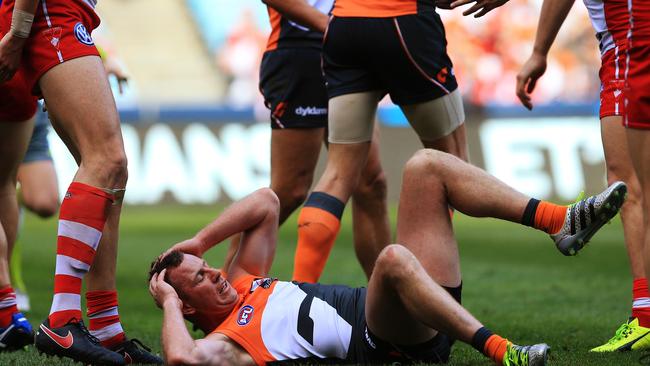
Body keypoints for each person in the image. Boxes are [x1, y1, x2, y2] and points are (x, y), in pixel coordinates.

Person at [148, 148, 627, 366]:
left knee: (425, 166)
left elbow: (266, 202)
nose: (213, 273)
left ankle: (557, 222)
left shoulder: (243, 278)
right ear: (186, 305)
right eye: (199, 279)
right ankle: (503, 351)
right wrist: (168, 300)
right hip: (387, 340)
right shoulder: (227, 344)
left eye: (206, 265)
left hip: (412, 306)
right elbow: (183, 360)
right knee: (393, 258)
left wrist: (199, 241)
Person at [289, 0, 511, 284]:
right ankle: (426, 297)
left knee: (337, 175)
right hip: (403, 20)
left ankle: (297, 294)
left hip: (345, 23)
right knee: (453, 165)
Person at [0, 0, 160, 363]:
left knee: (113, 173)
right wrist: (20, 30)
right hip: (50, 14)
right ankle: (62, 318)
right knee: (107, 159)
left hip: (66, 15)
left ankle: (106, 327)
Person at [514, 0, 649, 352]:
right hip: (628, 41)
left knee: (630, 186)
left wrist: (539, 51)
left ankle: (646, 317)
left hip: (630, 41)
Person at [224, 0, 390, 279]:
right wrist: (333, 27)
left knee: (371, 183)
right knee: (289, 191)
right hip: (301, 49)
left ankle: (389, 297)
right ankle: (225, 283)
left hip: (350, 49)